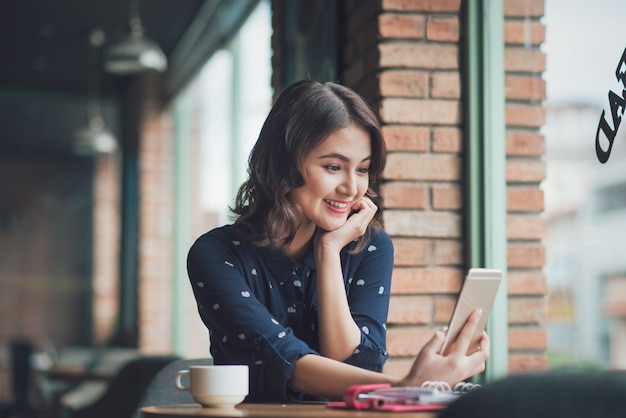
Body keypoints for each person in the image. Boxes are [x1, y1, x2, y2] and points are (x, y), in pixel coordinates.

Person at [186, 79, 489, 403]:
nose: (351, 188)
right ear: (284, 164)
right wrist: (408, 387)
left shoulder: (370, 246)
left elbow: (355, 362)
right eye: (333, 166)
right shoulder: (216, 255)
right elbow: (287, 361)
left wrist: (327, 251)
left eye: (362, 169)